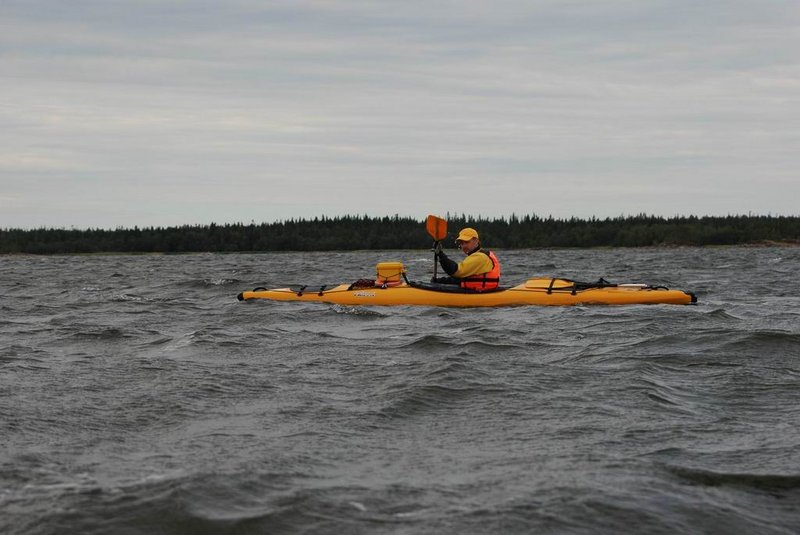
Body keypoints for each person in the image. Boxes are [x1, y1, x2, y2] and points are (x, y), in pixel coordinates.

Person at [433, 227, 501, 291]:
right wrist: (441, 281)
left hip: (482, 293)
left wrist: (440, 254)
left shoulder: (480, 257)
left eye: (467, 242)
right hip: (479, 290)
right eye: (462, 243)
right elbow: (462, 278)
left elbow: (455, 271)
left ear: (476, 241)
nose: (464, 246)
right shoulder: (477, 255)